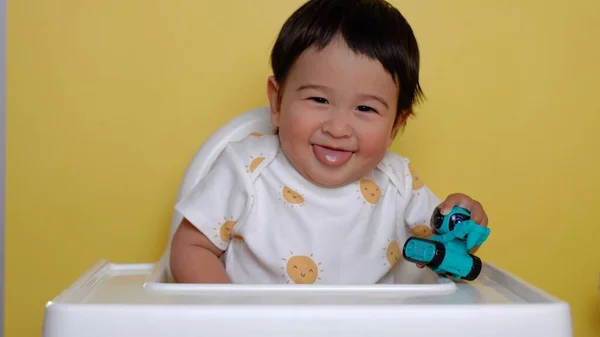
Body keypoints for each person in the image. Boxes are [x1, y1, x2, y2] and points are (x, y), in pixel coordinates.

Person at [169, 0, 489, 284]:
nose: (337, 128)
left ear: (395, 126)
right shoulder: (246, 169)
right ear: (278, 103)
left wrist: (464, 225)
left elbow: (447, 256)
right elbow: (191, 247)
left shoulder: (399, 183)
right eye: (319, 99)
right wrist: (232, 319)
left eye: (365, 108)